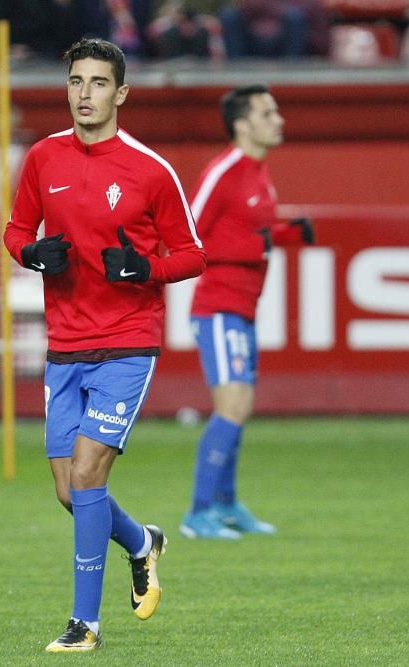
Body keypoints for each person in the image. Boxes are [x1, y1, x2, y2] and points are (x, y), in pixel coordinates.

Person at [2, 38, 206, 652]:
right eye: (75, 81)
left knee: (89, 475)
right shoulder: (43, 158)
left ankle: (83, 624)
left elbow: (193, 255)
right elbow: (16, 230)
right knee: (69, 491)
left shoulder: (149, 169)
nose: (83, 93)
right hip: (65, 342)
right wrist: (31, 253)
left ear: (121, 93)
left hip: (126, 342)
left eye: (96, 83)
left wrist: (144, 269)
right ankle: (142, 544)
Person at [180, 84, 315, 540]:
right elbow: (187, 233)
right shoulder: (225, 170)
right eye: (268, 112)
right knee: (232, 406)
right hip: (218, 306)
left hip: (242, 307)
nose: (279, 120)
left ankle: (226, 503)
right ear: (243, 124)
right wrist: (258, 243)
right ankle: (198, 514)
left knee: (241, 406)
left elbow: (249, 230)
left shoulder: (258, 171)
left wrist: (288, 234)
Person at [219, 0, 329, 59]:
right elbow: (249, 7)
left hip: (290, 49)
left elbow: (321, 43)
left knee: (295, 18)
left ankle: (290, 74)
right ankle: (238, 73)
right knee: (229, 16)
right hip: (252, 42)